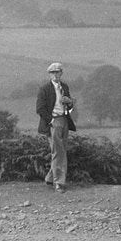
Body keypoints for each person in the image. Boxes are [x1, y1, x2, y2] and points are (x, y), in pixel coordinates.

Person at [36, 62, 76, 192]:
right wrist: (51, 121)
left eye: (57, 72)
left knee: (60, 151)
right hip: (53, 122)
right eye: (52, 72)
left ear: (61, 73)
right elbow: (40, 109)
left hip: (64, 120)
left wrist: (69, 103)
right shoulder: (44, 89)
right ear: (49, 74)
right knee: (59, 152)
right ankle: (59, 182)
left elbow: (70, 108)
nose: (55, 75)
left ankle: (49, 178)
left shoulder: (64, 87)